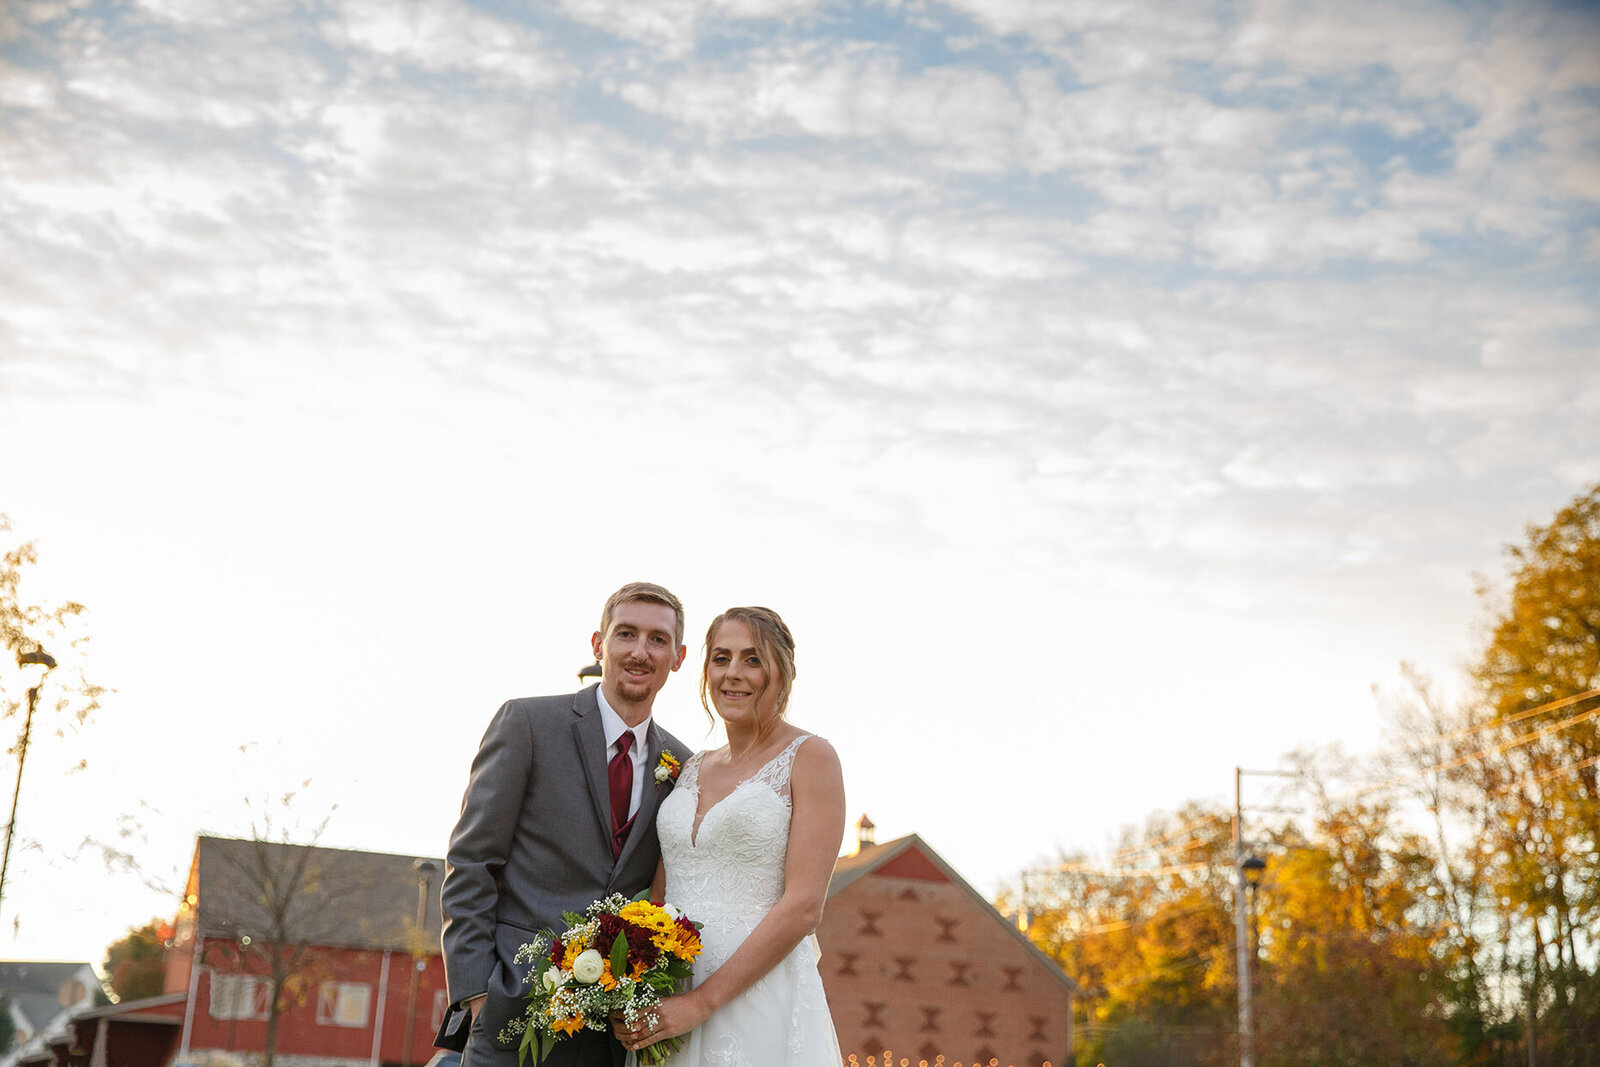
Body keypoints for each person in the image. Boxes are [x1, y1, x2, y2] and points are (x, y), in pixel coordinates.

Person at [439, 582, 693, 1067]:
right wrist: (476, 995)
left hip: (611, 1039)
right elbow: (472, 862)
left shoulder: (682, 765)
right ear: (599, 645)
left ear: (677, 657)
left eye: (657, 640)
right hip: (510, 1016)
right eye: (626, 634)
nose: (640, 651)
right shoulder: (529, 724)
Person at [616, 605, 846, 1065]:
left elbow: (803, 907)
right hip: (671, 993)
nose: (733, 674)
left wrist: (700, 1004)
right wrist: (625, 979)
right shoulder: (689, 766)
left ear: (783, 672)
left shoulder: (811, 757)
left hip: (756, 999)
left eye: (752, 659)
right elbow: (660, 893)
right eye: (721, 658)